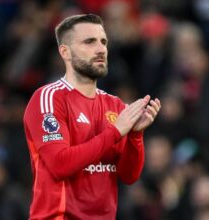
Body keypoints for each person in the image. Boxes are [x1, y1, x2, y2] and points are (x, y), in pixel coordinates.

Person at [23, 14, 161, 220]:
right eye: (89, 42)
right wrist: (115, 132)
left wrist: (135, 136)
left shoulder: (114, 105)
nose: (101, 49)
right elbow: (60, 165)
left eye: (103, 42)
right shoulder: (49, 98)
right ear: (65, 52)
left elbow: (129, 176)